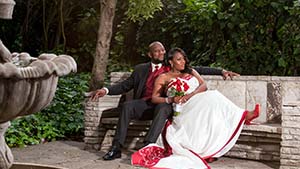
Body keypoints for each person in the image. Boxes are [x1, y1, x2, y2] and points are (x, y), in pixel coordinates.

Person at [90, 41, 239, 161]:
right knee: (127, 106)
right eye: (157, 51)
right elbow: (125, 85)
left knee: (163, 107)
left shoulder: (171, 65)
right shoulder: (140, 69)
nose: (161, 52)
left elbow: (196, 69)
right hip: (146, 103)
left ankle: (148, 146)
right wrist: (106, 90)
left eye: (162, 50)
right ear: (150, 54)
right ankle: (116, 148)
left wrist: (221, 71)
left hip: (165, 104)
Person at [131, 47, 260, 169]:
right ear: (171, 62)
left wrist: (192, 94)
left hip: (195, 99)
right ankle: (244, 115)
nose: (183, 62)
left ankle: (243, 115)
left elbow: (203, 85)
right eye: (179, 59)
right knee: (212, 98)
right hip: (181, 107)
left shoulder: (190, 71)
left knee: (212, 96)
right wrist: (171, 99)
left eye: (184, 58)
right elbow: (154, 98)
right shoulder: (163, 77)